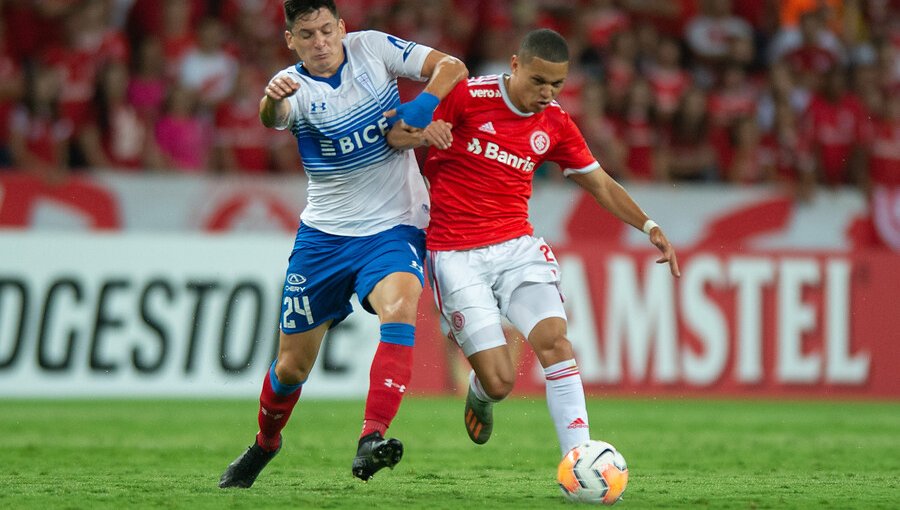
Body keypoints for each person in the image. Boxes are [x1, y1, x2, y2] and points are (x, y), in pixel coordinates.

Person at [388, 28, 679, 457]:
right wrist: (422, 134)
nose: (546, 93)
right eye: (538, 81)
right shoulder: (467, 96)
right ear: (515, 65)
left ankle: (578, 457)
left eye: (556, 84)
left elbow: (599, 182)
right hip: (455, 253)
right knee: (501, 382)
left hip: (516, 248)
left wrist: (649, 225)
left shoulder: (555, 122)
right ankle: (482, 392)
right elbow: (395, 134)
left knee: (556, 343)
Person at [218, 0, 467, 488]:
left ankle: (371, 439)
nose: (321, 43)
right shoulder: (294, 87)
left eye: (327, 31)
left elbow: (451, 66)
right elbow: (274, 117)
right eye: (307, 35)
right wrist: (271, 98)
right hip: (325, 239)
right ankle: (266, 443)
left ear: (342, 28)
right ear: (290, 40)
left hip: (395, 226)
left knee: (400, 305)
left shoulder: (372, 48)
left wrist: (423, 104)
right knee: (291, 366)